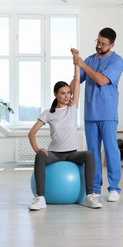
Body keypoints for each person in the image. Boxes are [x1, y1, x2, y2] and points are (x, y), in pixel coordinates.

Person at [28, 51, 102, 211]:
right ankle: (40, 198)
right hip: (55, 154)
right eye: (63, 93)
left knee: (89, 155)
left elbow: (77, 81)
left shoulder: (72, 108)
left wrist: (76, 62)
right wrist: (36, 148)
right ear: (56, 94)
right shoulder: (48, 113)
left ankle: (89, 196)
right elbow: (31, 133)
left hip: (72, 154)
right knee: (40, 155)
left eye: (69, 93)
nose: (67, 96)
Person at [71, 27, 123, 202]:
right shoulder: (90, 60)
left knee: (111, 151)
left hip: (108, 114)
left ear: (112, 44)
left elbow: (101, 80)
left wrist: (82, 64)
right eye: (98, 42)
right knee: (93, 152)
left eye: (103, 44)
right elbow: (77, 80)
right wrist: (75, 66)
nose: (99, 46)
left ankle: (114, 188)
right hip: (90, 114)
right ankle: (95, 188)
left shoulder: (117, 61)